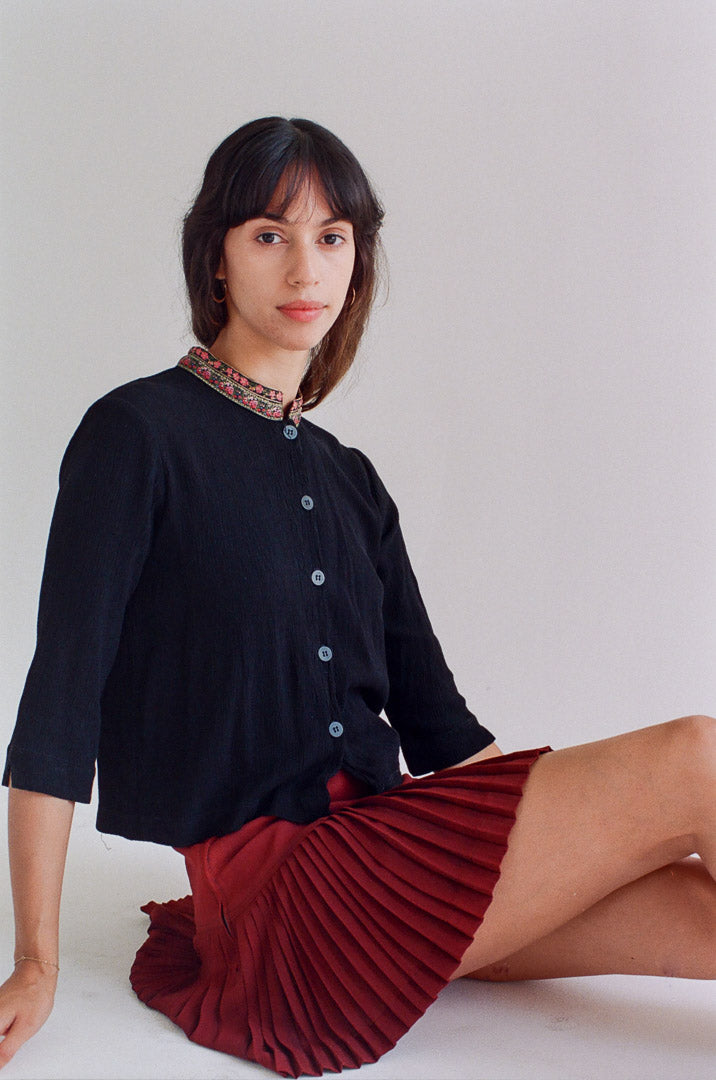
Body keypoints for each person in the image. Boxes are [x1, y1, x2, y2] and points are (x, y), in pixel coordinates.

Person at [0, 116, 714, 1078]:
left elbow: (444, 730)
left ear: (357, 263)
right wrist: (35, 964)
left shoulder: (351, 480)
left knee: (697, 914)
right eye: (270, 235)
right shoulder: (137, 436)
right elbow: (59, 704)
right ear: (215, 258)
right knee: (699, 758)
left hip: (395, 877)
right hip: (290, 914)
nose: (306, 269)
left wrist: (559, 851)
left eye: (332, 238)